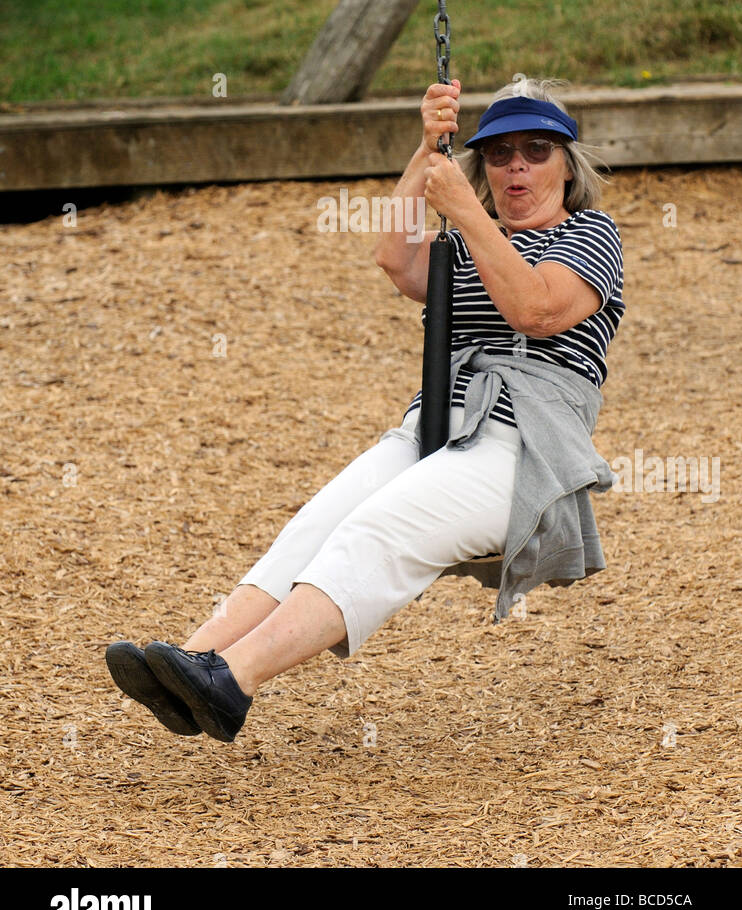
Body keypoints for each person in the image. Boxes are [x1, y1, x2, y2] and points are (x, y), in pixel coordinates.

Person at [105, 74, 625, 745]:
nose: (516, 165)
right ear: (482, 166)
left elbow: (538, 310)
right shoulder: (469, 240)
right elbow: (397, 260)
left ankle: (232, 680)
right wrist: (424, 147)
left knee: (376, 530)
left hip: (523, 442)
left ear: (567, 164)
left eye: (536, 149)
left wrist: (466, 210)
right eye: (498, 154)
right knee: (316, 524)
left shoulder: (590, 233)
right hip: (439, 421)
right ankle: (191, 664)